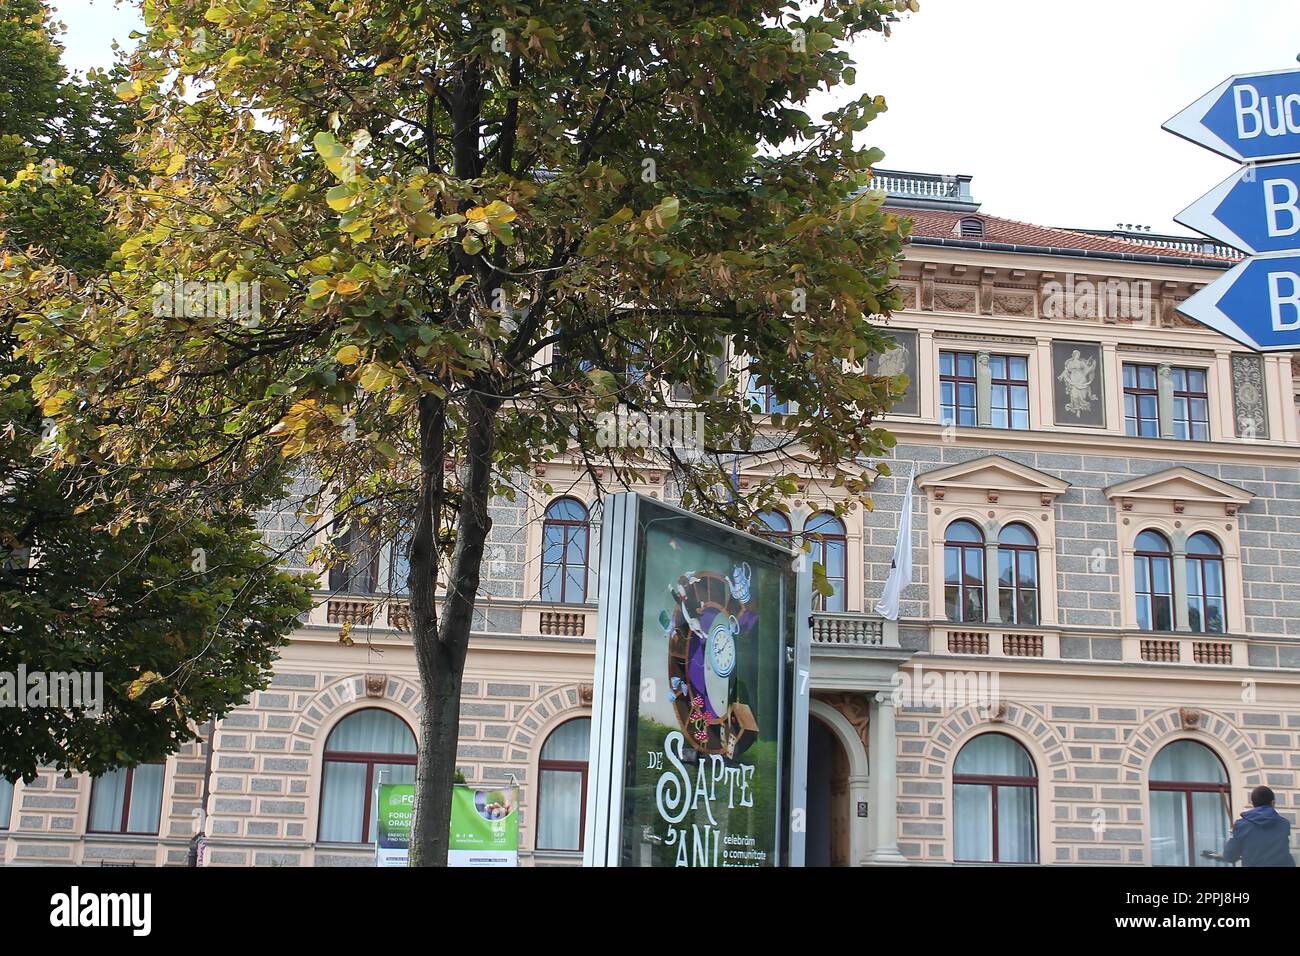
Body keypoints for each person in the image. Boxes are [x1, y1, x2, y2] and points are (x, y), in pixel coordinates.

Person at [1217, 786, 1295, 867]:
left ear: (1253, 803)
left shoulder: (1242, 825)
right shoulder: (1284, 824)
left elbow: (1230, 856)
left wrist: (1233, 835)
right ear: (1273, 803)